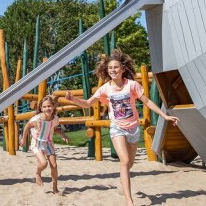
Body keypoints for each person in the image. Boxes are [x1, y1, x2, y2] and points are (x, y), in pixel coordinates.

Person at [65, 49, 179, 206]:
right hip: (117, 128)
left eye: (116, 67)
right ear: (107, 70)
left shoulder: (132, 85)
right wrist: (73, 99)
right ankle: (129, 201)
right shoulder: (105, 88)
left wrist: (164, 115)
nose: (113, 70)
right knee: (124, 161)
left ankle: (122, 183)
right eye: (110, 68)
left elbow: (147, 102)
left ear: (123, 69)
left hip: (133, 128)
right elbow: (87, 103)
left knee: (129, 163)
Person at [19, 95, 69, 194]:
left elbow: (54, 128)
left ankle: (55, 188)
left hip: (48, 143)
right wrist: (23, 138)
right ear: (41, 108)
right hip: (37, 143)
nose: (47, 108)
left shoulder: (55, 118)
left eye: (49, 106)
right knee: (43, 163)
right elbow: (27, 126)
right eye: (45, 107)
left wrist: (63, 135)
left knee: (54, 165)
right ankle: (38, 173)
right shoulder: (36, 119)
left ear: (53, 107)